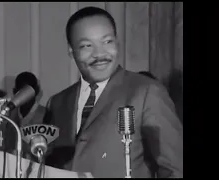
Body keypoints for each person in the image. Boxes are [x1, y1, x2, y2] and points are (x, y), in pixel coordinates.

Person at [43, 7, 183, 178]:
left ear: (117, 43)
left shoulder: (147, 92)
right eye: (87, 45)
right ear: (72, 52)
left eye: (107, 41)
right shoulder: (57, 102)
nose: (100, 54)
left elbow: (174, 169)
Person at [1, 72, 46, 158]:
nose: (26, 96)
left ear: (36, 91)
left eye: (29, 91)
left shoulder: (46, 114)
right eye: (22, 91)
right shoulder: (8, 115)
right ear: (15, 92)